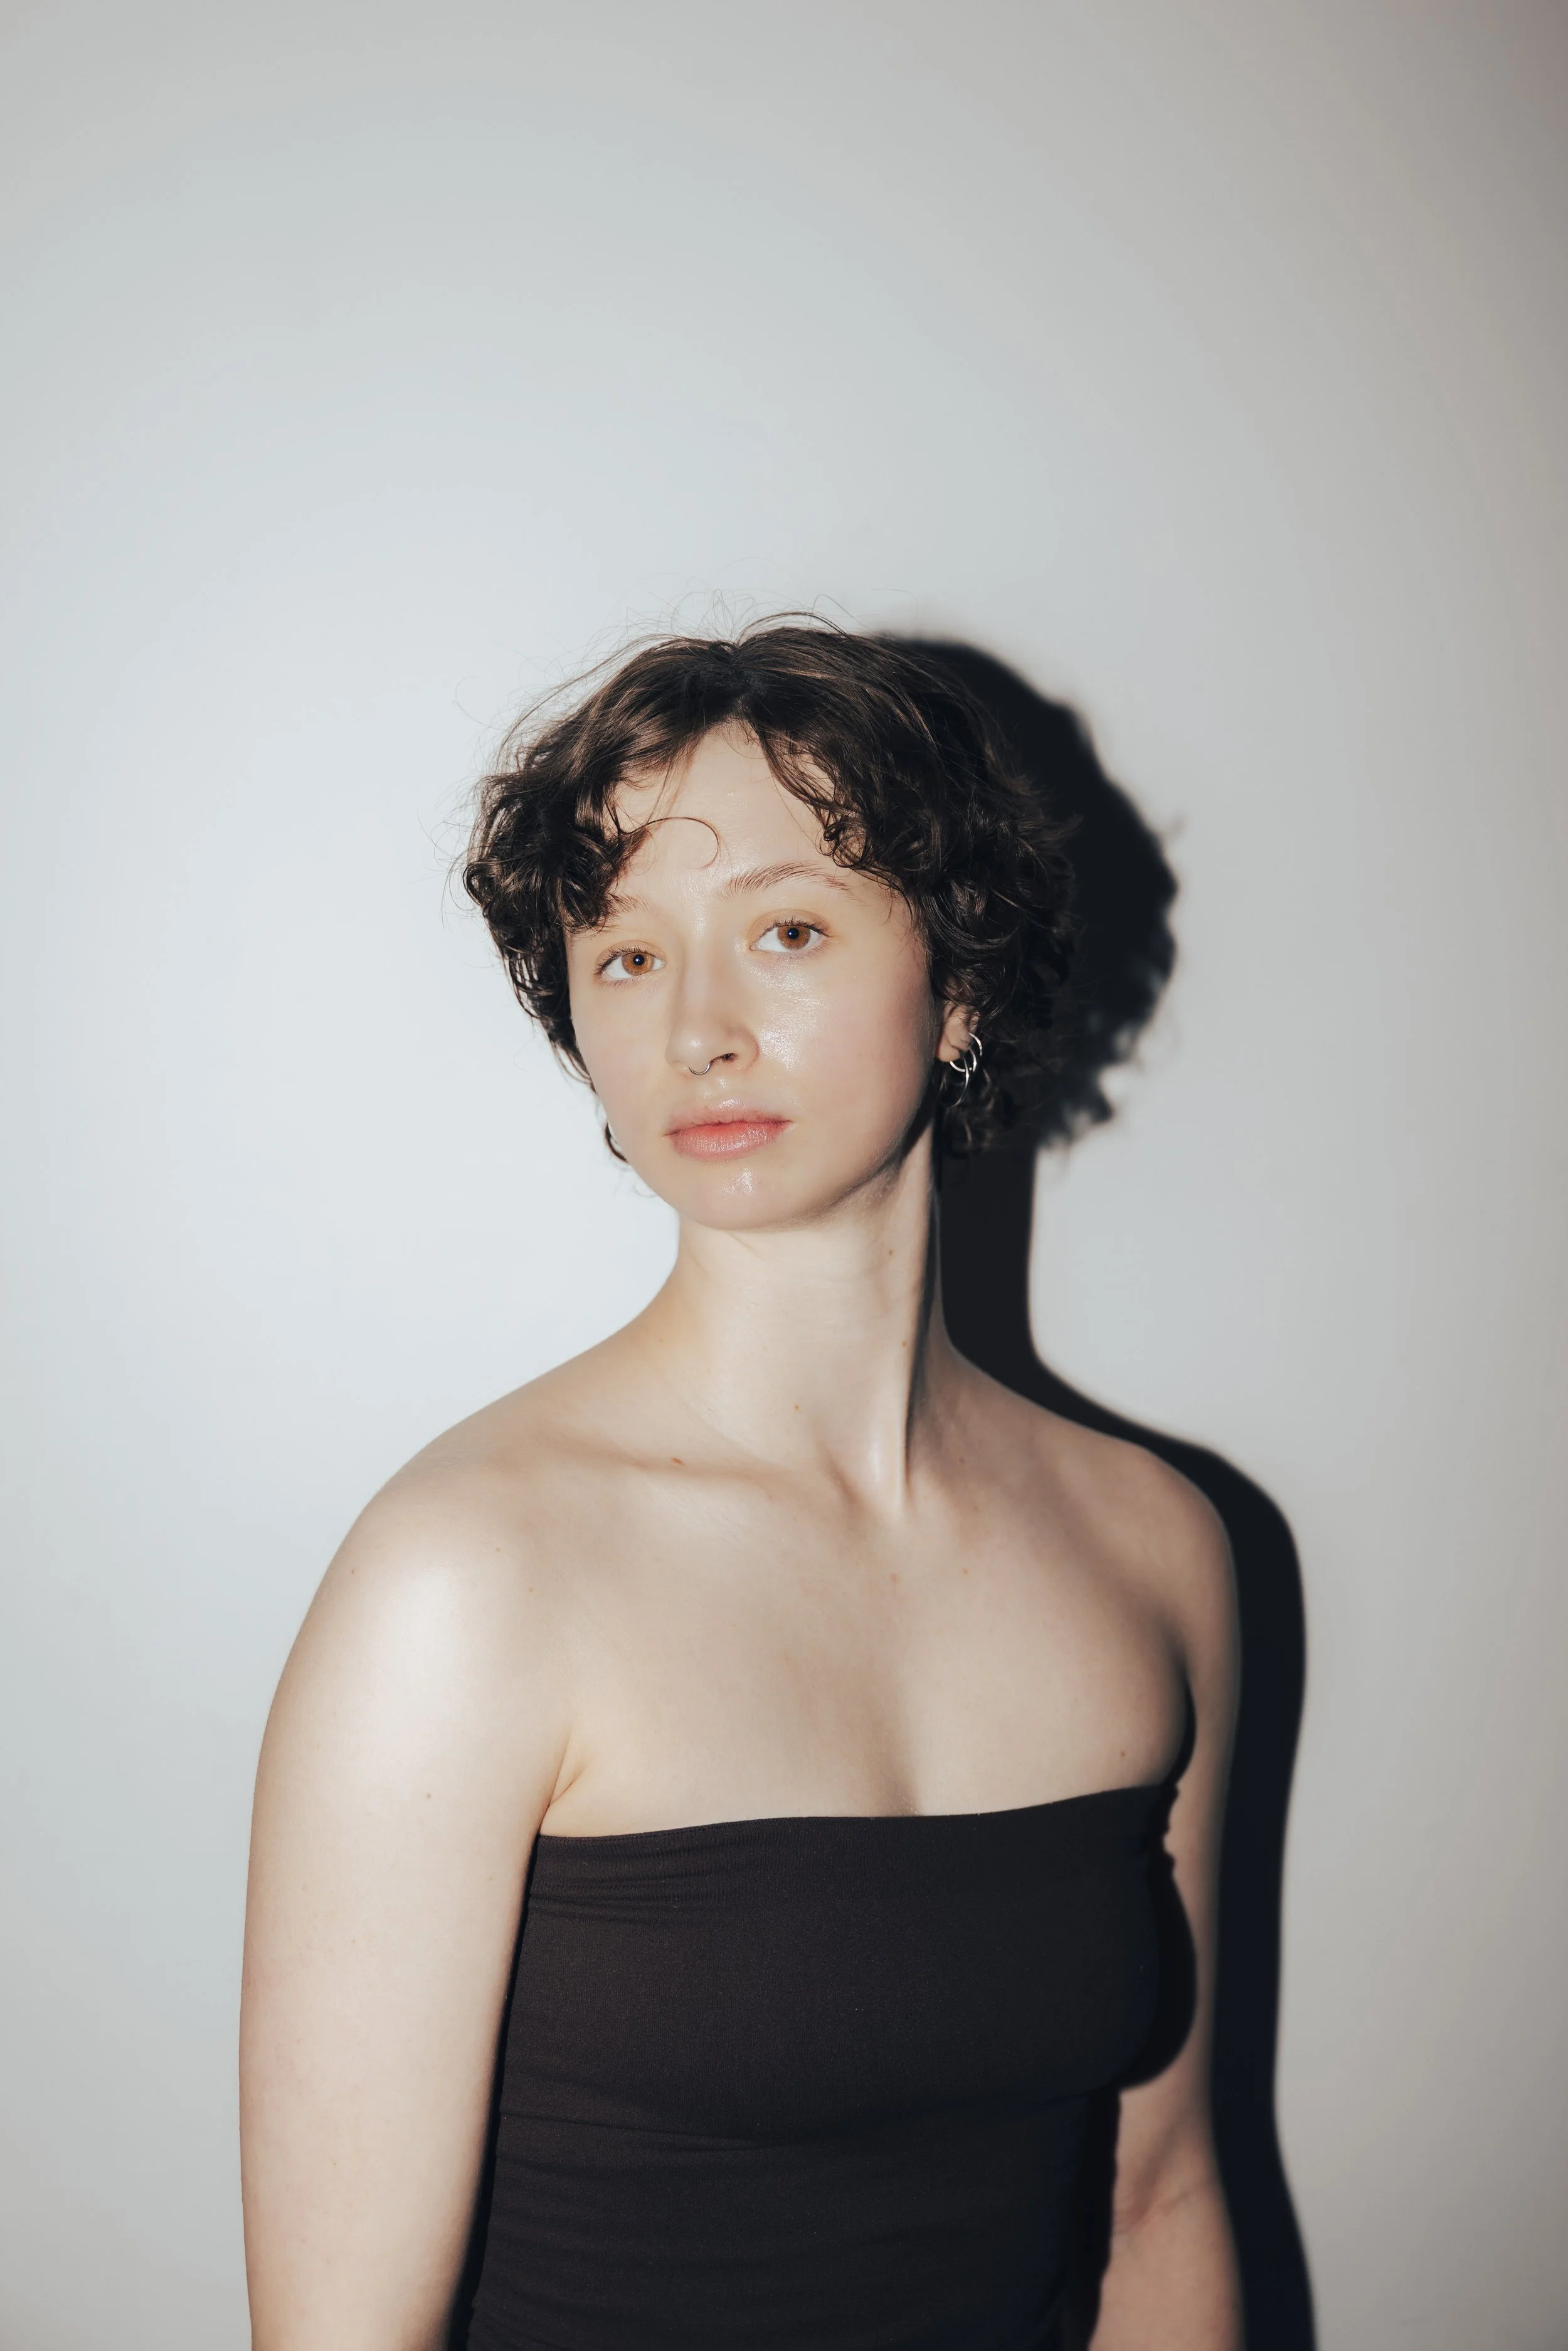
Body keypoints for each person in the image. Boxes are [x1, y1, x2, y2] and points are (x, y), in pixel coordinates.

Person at [240, 622, 1243, 2350]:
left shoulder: (1151, 1545)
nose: (698, 1027)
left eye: (784, 931)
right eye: (623, 956)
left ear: (962, 986)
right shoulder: (466, 1579)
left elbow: (1158, 2203)